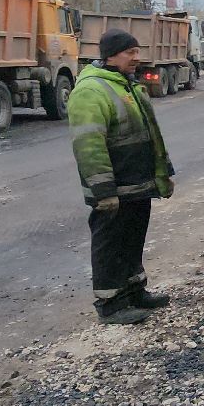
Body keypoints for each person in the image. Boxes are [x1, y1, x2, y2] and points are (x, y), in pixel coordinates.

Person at [69, 30, 176, 325]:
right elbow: (89, 144)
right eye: (130, 52)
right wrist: (103, 191)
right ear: (110, 56)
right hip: (114, 188)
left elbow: (151, 136)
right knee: (111, 242)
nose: (136, 57)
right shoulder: (92, 91)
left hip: (136, 184)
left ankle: (133, 292)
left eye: (137, 50)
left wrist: (163, 174)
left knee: (132, 238)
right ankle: (111, 304)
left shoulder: (127, 86)